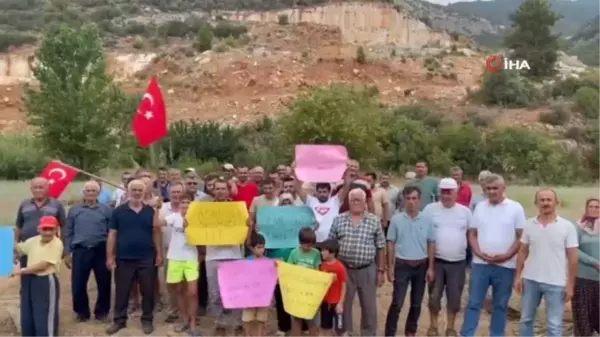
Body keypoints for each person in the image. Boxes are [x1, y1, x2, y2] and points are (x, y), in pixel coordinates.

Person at [460, 174, 526, 337]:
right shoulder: (480, 207)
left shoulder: (515, 208)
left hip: (505, 266)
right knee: (474, 303)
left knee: (500, 305)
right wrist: (478, 252)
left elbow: (521, 236)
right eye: (488, 189)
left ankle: (496, 334)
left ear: (503, 188)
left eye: (495, 188)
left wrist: (506, 255)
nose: (491, 191)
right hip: (480, 264)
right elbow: (472, 233)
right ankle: (467, 333)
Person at [515, 188, 578, 337]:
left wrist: (570, 286)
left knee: (554, 325)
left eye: (549, 200)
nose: (545, 203)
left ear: (556, 202)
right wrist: (518, 276)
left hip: (555, 282)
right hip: (530, 280)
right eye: (542, 200)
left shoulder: (567, 227)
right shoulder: (529, 224)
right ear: (536, 203)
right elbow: (523, 251)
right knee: (525, 320)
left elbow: (573, 258)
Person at [106, 179, 163, 335]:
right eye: (134, 190)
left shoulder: (151, 211)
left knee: (148, 290)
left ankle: (147, 320)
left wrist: (159, 254)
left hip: (147, 257)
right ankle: (119, 320)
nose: (137, 192)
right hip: (124, 258)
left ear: (144, 192)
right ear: (128, 191)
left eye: (140, 190)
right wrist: (110, 257)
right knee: (122, 291)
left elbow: (156, 232)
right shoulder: (118, 211)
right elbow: (112, 234)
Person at [328, 188, 386, 337]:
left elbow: (380, 247)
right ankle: (343, 332)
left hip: (367, 269)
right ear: (348, 201)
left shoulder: (374, 220)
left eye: (358, 200)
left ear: (365, 202)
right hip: (344, 269)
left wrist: (380, 270)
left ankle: (368, 333)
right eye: (352, 200)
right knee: (343, 304)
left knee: (369, 306)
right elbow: (331, 244)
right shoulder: (338, 219)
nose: (355, 202)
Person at [423, 178, 472, 337]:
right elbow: (424, 233)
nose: (446, 195)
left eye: (449, 192)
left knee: (454, 297)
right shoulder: (430, 210)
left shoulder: (465, 212)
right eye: (443, 191)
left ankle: (450, 328)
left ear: (456, 193)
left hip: (458, 262)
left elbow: (471, 235)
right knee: (434, 296)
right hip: (436, 261)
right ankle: (433, 326)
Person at [384, 186, 435, 337]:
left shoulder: (427, 219)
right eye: (408, 198)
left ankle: (410, 330)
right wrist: (390, 266)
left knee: (417, 302)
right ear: (404, 200)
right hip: (402, 265)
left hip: (421, 264)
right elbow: (390, 243)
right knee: (397, 302)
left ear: (419, 200)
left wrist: (431, 267)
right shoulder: (396, 219)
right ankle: (390, 332)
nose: (411, 202)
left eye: (414, 198)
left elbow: (431, 243)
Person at [65, 180, 112, 322]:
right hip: (81, 250)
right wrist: (67, 252)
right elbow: (68, 232)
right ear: (83, 193)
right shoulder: (74, 210)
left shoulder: (106, 210)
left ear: (98, 193)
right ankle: (81, 312)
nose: (91, 193)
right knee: (78, 283)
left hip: (101, 249)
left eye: (94, 191)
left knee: (104, 282)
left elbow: (111, 232)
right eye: (88, 191)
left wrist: (111, 253)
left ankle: (102, 312)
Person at [204, 179, 244, 337]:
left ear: (228, 191)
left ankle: (238, 323)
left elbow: (246, 226)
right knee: (214, 293)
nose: (220, 191)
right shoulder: (204, 209)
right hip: (212, 256)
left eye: (223, 188)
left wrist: (249, 223)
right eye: (217, 189)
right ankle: (220, 323)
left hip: (234, 255)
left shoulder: (237, 208)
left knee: (235, 291)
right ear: (213, 191)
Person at [12, 215, 63, 337]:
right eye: (44, 229)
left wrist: (21, 271)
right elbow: (19, 249)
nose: (47, 232)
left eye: (51, 229)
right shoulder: (33, 240)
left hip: (45, 280)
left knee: (44, 317)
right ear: (39, 229)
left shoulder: (57, 243)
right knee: (28, 314)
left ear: (56, 230)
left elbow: (43, 265)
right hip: (30, 280)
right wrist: (9, 237)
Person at [164, 193, 201, 337]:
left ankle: (193, 324)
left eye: (188, 202)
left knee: (192, 293)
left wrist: (190, 226)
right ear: (179, 204)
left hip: (191, 258)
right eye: (183, 202)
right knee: (179, 291)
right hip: (174, 258)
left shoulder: (198, 219)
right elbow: (156, 223)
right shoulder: (174, 217)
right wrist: (156, 208)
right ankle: (184, 320)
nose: (185, 205)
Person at [15, 177, 66, 269]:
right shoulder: (24, 204)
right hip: (27, 247)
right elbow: (19, 226)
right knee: (26, 274)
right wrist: (16, 245)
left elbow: (64, 226)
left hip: (49, 247)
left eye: (41, 187)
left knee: (45, 275)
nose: (38, 190)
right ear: (31, 189)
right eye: (35, 187)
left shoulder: (56, 204)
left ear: (48, 188)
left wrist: (62, 246)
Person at [295, 170, 350, 242]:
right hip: (314, 240)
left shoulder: (335, 201)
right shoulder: (311, 201)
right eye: (319, 192)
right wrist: (296, 172)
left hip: (331, 240)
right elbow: (298, 189)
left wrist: (347, 172)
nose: (322, 194)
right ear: (316, 192)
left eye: (324, 192)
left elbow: (346, 187)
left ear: (329, 192)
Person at [572, 197, 600, 337]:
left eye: (597, 207)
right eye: (591, 206)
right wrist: (594, 262)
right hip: (584, 278)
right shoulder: (579, 227)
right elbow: (573, 249)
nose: (594, 209)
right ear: (586, 208)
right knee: (583, 319)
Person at [159, 182, 187, 322]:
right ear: (169, 193)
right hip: (168, 251)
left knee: (187, 284)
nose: (176, 195)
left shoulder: (190, 208)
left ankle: (186, 312)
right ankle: (172, 311)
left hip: (188, 252)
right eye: (173, 192)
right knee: (171, 283)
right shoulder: (162, 208)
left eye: (179, 192)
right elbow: (156, 228)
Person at [287, 227, 322, 337]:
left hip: (311, 292)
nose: (309, 247)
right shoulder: (294, 253)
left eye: (311, 245)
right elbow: (289, 269)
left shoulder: (316, 253)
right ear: (300, 242)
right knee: (297, 318)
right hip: (297, 291)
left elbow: (318, 270)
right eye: (306, 245)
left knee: (312, 318)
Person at [319, 239, 348, 337]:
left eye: (324, 250)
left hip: (336, 303)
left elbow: (344, 287)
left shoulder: (340, 267)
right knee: (325, 327)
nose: (321, 252)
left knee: (341, 329)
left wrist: (340, 303)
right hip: (325, 302)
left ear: (332, 253)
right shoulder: (322, 266)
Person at [243, 233, 270, 337]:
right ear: (252, 248)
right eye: (259, 247)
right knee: (248, 319)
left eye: (263, 247)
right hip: (248, 296)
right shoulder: (246, 261)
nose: (261, 250)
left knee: (261, 319)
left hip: (262, 297)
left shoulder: (268, 262)